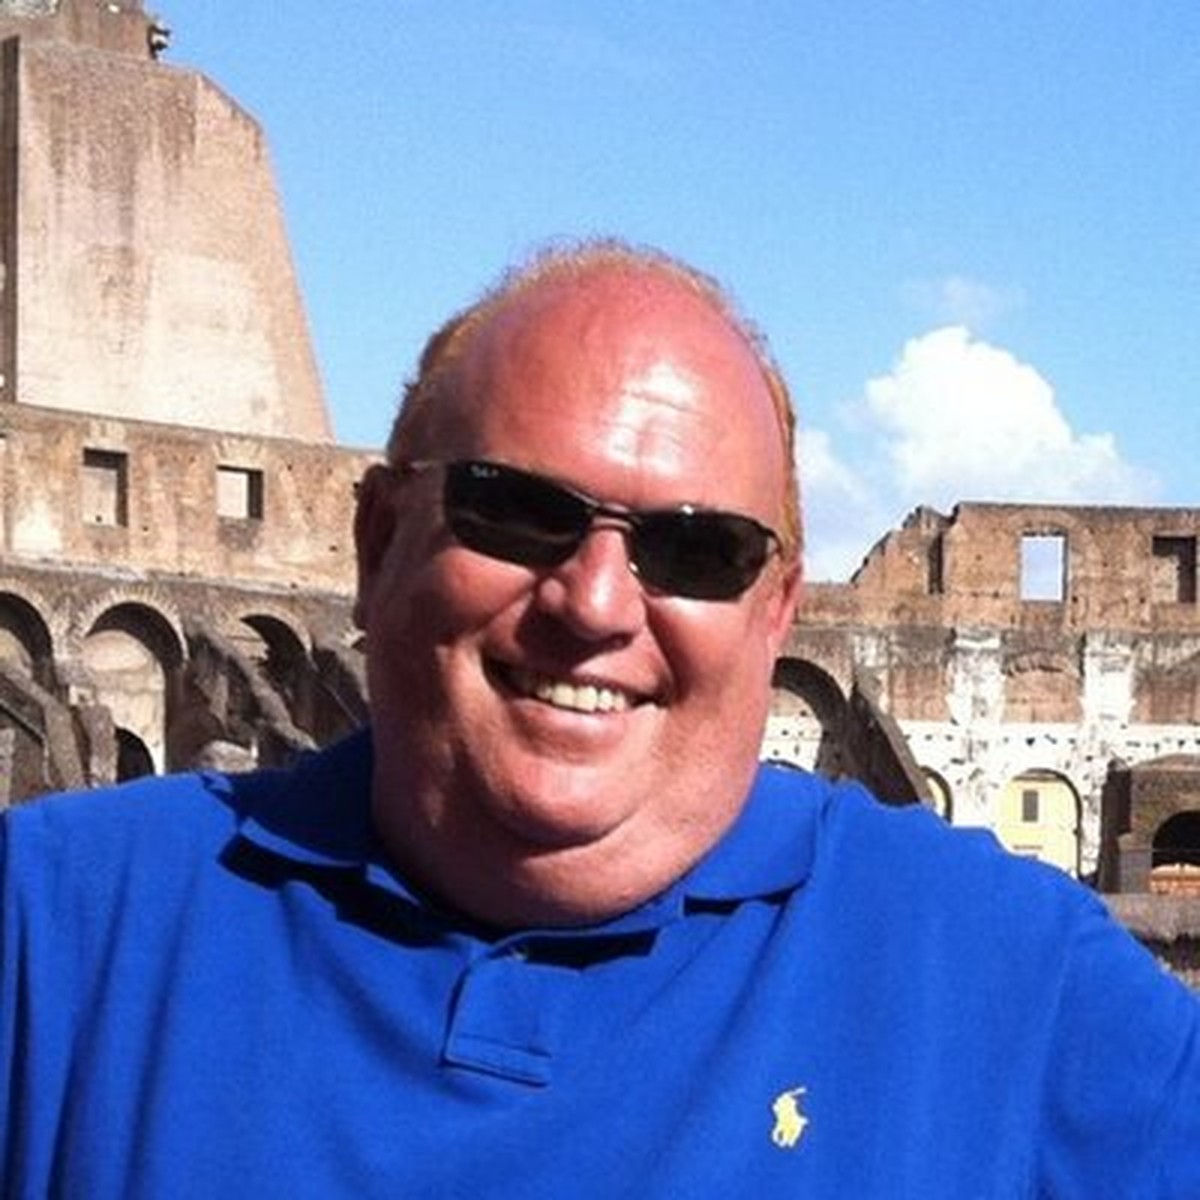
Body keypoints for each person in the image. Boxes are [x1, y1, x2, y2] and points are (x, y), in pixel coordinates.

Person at [2, 240, 1197, 1198]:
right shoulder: (53, 930)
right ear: (377, 542)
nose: (595, 602)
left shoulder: (1011, 983)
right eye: (517, 511)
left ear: (777, 611)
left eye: (698, 549)